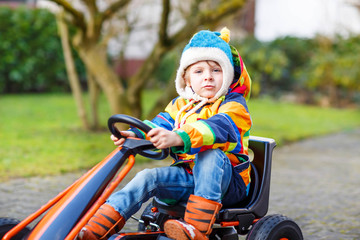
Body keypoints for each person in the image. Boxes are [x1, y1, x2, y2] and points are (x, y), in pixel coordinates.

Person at [77, 27, 252, 240]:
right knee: (147, 177)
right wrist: (136, 134)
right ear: (187, 80)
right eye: (199, 72)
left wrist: (179, 137)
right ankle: (96, 228)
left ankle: (195, 231)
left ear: (228, 74)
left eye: (216, 70)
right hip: (189, 178)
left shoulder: (234, 105)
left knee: (210, 154)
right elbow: (159, 124)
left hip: (228, 184)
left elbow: (218, 129)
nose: (208, 77)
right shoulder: (181, 105)